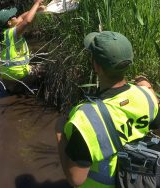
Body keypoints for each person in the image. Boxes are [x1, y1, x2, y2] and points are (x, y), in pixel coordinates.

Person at [55, 31, 160, 188]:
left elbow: (75, 179)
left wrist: (60, 134)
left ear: (96, 66)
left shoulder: (86, 119)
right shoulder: (147, 96)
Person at [0, 0, 45, 93]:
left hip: (6, 75)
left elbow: (22, 17)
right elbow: (27, 21)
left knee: (13, 92)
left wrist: (36, 9)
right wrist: (36, 3)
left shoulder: (3, 32)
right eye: (13, 16)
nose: (16, 16)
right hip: (17, 73)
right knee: (44, 70)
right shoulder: (13, 32)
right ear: (9, 23)